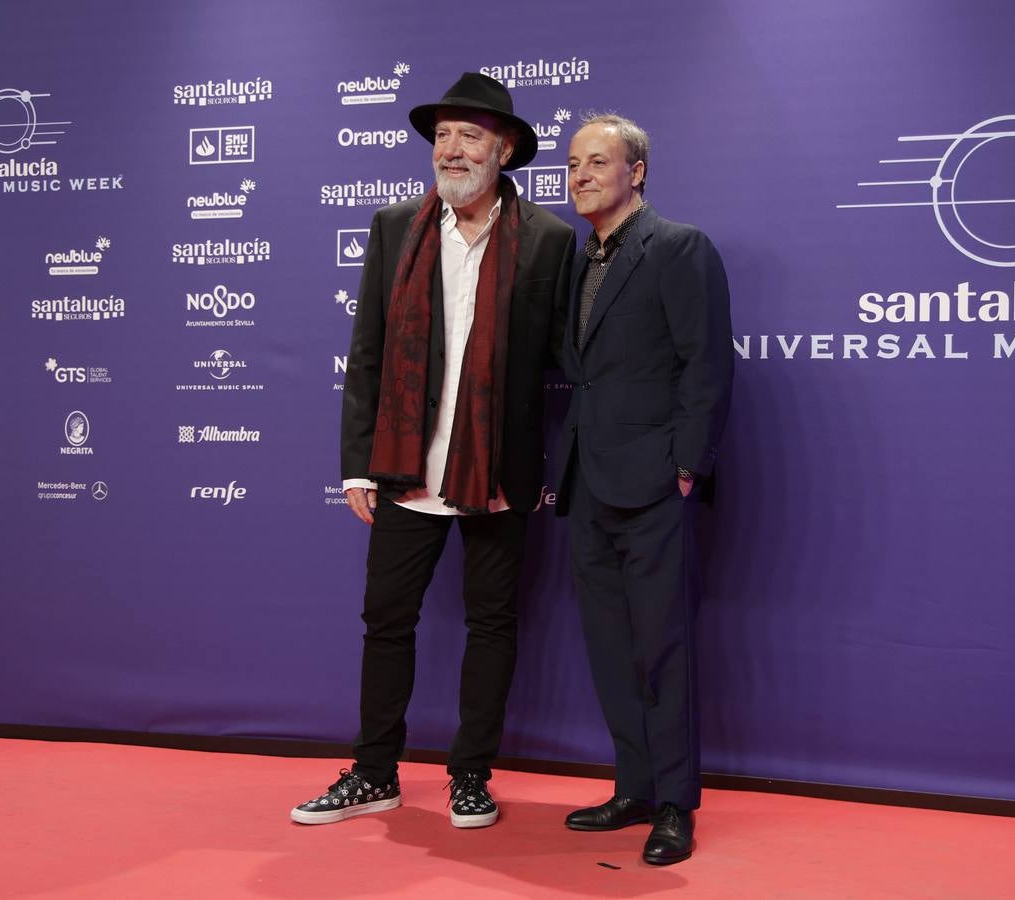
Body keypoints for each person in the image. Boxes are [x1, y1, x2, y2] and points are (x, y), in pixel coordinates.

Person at [291, 73, 574, 829]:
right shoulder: (394, 228)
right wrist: (357, 461)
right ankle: (374, 772)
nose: (450, 149)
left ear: (503, 149)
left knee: (491, 624)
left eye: (468, 136)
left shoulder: (548, 239)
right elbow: (368, 354)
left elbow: (563, 356)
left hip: (498, 472)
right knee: (386, 620)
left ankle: (471, 775)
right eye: (442, 136)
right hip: (406, 467)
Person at [555, 114, 734, 865]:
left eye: (599, 161)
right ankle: (632, 786)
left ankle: (674, 804)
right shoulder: (574, 259)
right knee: (609, 647)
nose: (581, 174)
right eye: (572, 163)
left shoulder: (678, 247)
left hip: (654, 481)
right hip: (586, 484)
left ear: (638, 172)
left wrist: (685, 464)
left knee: (660, 647)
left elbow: (705, 363)